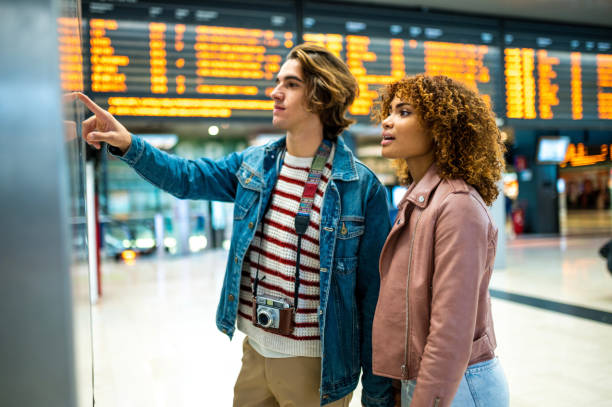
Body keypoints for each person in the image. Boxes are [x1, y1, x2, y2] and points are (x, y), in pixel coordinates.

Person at [75, 43, 394, 407]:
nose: (274, 92)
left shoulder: (358, 186)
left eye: (290, 84)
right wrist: (129, 144)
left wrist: (378, 393)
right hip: (254, 350)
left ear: (321, 96)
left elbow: (374, 299)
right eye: (278, 82)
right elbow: (188, 178)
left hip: (315, 366)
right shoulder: (255, 164)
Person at [370, 74, 509, 407]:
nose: (387, 121)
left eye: (404, 112)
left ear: (440, 127)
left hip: (456, 385)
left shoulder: (456, 205)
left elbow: (451, 332)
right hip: (433, 380)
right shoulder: (422, 201)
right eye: (389, 111)